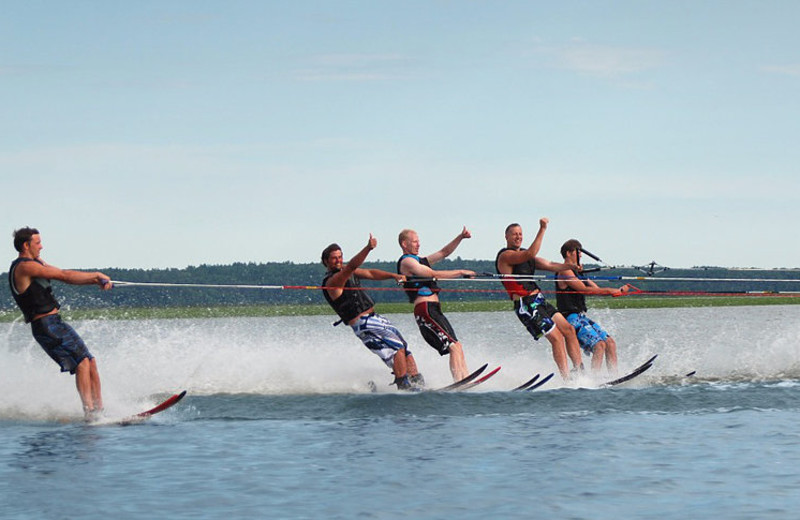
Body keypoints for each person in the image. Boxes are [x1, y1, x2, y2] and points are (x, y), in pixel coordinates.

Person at [9, 227, 112, 420]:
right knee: (81, 363)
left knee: (90, 361)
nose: (42, 246)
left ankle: (100, 411)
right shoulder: (24, 267)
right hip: (45, 326)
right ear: (26, 245)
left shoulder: (36, 262)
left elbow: (63, 274)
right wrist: (96, 274)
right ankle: (90, 414)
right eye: (38, 243)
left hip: (56, 323)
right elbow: (63, 275)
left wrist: (95, 281)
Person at [321, 234, 424, 391]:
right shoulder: (332, 281)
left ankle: (416, 381)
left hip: (374, 318)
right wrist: (368, 248)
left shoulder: (348, 272)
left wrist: (393, 275)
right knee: (397, 349)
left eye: (340, 257)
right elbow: (351, 267)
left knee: (404, 347)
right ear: (326, 262)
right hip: (363, 323)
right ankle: (403, 385)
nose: (339, 261)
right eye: (334, 258)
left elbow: (370, 273)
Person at [495, 219, 583, 380]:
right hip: (526, 305)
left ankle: (580, 372)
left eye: (520, 234)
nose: (518, 237)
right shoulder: (505, 256)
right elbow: (529, 253)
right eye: (514, 234)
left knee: (569, 330)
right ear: (506, 237)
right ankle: (566, 379)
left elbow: (550, 264)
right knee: (557, 338)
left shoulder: (528, 257)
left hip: (540, 300)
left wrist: (570, 266)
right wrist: (542, 229)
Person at [397, 227, 475, 382]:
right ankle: (459, 382)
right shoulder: (407, 262)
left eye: (418, 241)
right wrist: (460, 272)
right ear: (404, 244)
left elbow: (444, 253)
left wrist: (460, 237)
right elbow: (433, 274)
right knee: (452, 347)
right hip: (425, 310)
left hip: (434, 309)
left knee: (457, 346)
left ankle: (466, 379)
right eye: (414, 241)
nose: (418, 244)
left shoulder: (420, 260)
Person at [556, 239, 630, 374]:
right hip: (570, 319)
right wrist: (611, 291)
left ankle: (614, 376)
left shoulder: (578, 273)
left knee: (610, 343)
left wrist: (617, 291)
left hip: (580, 316)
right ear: (568, 253)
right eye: (578, 253)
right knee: (599, 345)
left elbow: (596, 289)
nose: (581, 256)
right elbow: (584, 290)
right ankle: (593, 380)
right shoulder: (565, 271)